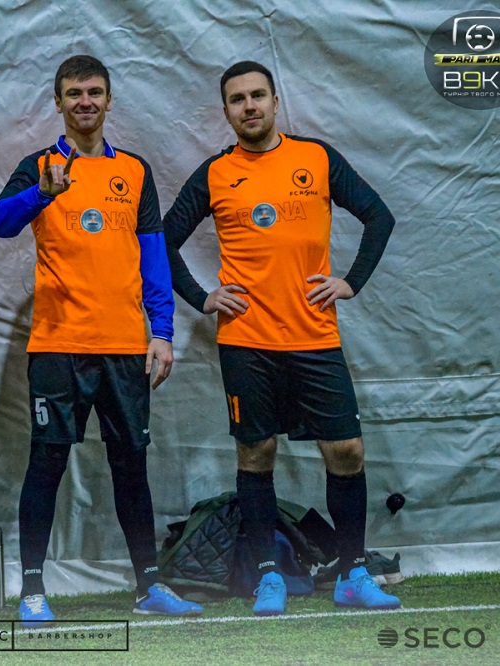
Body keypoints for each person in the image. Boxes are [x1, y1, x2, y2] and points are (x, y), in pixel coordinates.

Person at [162, 61, 400, 616]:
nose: (249, 106)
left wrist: (350, 281)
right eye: (237, 99)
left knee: (346, 450)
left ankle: (353, 573)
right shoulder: (216, 173)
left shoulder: (315, 158)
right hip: (247, 341)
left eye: (257, 96)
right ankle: (269, 576)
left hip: (314, 336)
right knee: (256, 451)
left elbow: (379, 216)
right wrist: (202, 297)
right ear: (226, 111)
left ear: (274, 101)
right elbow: (162, 238)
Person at [0, 55, 203, 626]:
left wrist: (162, 332)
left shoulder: (134, 170)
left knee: (131, 466)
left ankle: (149, 586)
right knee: (47, 463)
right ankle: (33, 591)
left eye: (94, 92)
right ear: (58, 102)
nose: (85, 101)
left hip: (125, 347)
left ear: (109, 100)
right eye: (74, 93)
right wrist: (41, 195)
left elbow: (153, 257)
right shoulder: (39, 167)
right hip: (58, 347)